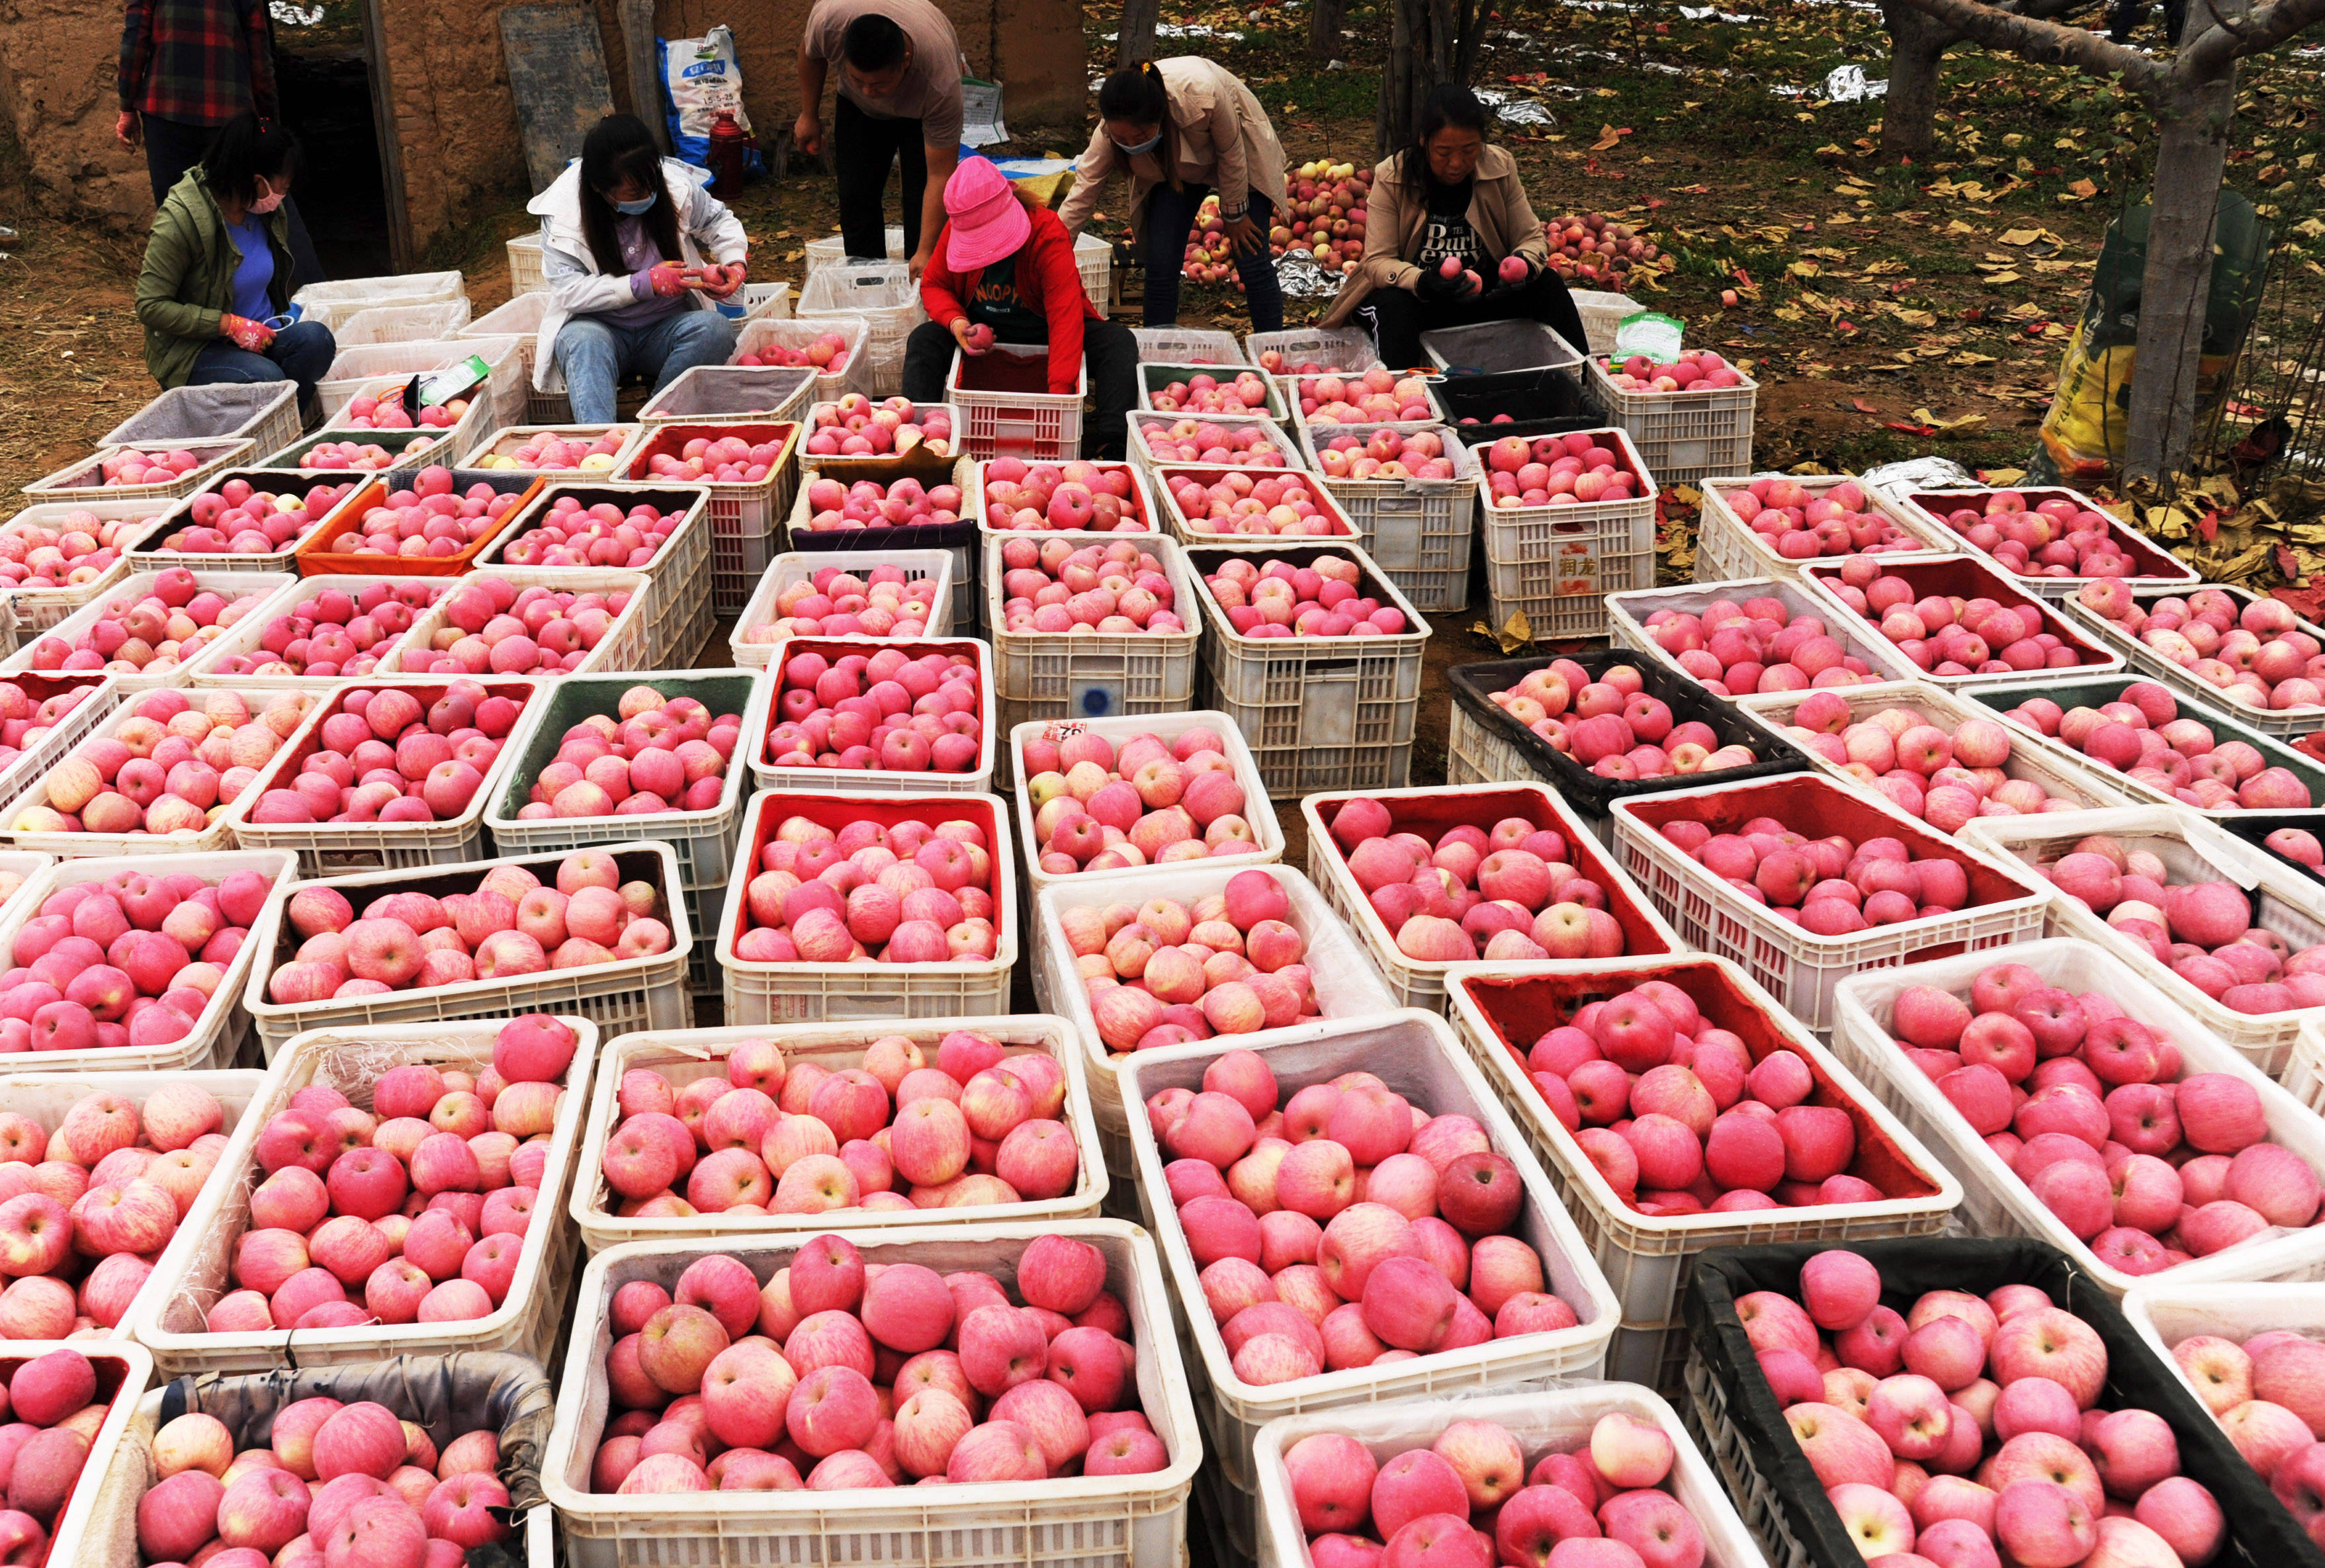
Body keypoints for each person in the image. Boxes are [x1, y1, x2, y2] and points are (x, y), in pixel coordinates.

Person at [1319, 84, 1585, 369]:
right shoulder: (1393, 176)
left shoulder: (1500, 166)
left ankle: (1585, 380)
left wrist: (1522, 265)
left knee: (1547, 285)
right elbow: (1377, 261)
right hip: (1420, 299)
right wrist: (1423, 282)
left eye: (1469, 150)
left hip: (1482, 296)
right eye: (1443, 152)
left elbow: (1531, 238)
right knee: (1394, 308)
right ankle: (1409, 400)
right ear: (1424, 141)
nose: (1456, 164)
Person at [904, 157, 1137, 459]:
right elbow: (934, 285)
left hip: (1046, 333)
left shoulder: (1047, 232)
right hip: (984, 334)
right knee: (924, 340)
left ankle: (1112, 445)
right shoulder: (954, 228)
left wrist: (1057, 404)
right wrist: (958, 324)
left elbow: (1065, 320)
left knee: (1118, 343)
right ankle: (917, 440)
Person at [529, 114, 750, 425]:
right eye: (633, 194)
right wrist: (644, 284)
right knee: (581, 341)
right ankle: (602, 442)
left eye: (650, 186)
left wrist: (733, 262)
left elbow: (718, 222)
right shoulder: (564, 215)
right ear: (599, 189)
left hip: (665, 327)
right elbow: (570, 292)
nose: (646, 197)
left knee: (713, 330)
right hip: (602, 330)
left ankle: (654, 421)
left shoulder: (675, 185)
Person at [1059, 60, 1289, 333]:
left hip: (1240, 155)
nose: (1132, 144)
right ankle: (1157, 350)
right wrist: (1055, 247)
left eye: (1141, 136)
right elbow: (1083, 190)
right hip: (1176, 171)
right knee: (1161, 261)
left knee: (1250, 255)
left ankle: (1272, 348)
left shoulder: (1203, 95)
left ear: (1160, 117)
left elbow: (1232, 153)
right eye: (1124, 140)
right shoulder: (1111, 132)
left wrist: (1234, 214)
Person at [133, 109, 337, 419]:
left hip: (261, 338)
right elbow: (150, 305)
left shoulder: (265, 211)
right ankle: (270, 428)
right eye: (282, 186)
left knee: (316, 340)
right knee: (267, 380)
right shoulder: (182, 219)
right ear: (257, 182)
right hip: (199, 351)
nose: (282, 195)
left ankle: (285, 428)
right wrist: (227, 324)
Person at [117, 0, 323, 286]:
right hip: (230, 113)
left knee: (179, 217)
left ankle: (192, 312)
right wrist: (268, 121)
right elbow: (260, 57)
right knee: (271, 204)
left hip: (167, 111)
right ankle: (312, 292)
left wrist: (127, 105)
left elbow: (135, 38)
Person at [795, 0, 963, 276]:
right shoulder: (829, 23)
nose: (869, 91)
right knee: (855, 196)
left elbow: (940, 176)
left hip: (918, 113)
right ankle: (865, 283)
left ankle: (922, 278)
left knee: (920, 201)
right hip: (857, 110)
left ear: (905, 61)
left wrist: (925, 252)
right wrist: (809, 115)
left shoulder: (941, 84)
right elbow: (811, 53)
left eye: (879, 84)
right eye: (858, 79)